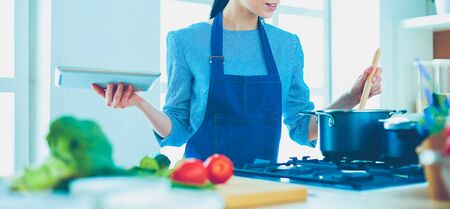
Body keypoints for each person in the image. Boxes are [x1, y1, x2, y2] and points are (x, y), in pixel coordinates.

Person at [92, 0, 382, 167]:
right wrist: (140, 104)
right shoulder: (185, 41)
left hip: (263, 191)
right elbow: (178, 131)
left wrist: (351, 97)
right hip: (201, 190)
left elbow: (301, 128)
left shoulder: (287, 46)